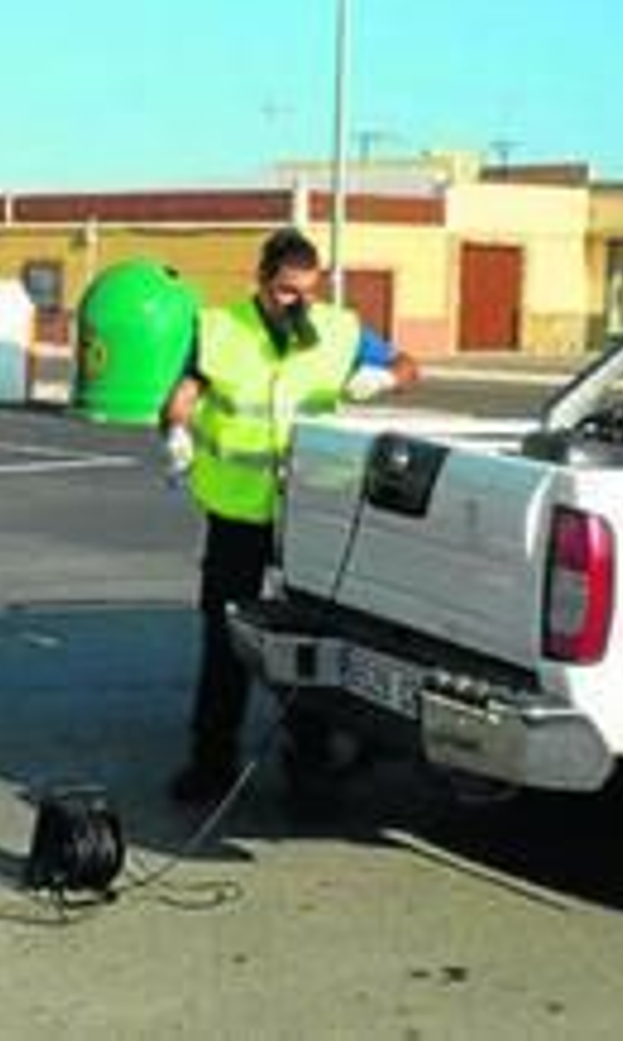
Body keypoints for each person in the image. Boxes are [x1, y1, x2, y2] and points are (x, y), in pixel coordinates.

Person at [161, 227, 418, 803]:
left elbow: (409, 365)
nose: (297, 303)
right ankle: (211, 762)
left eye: (307, 291)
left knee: (311, 641)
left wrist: (384, 377)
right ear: (260, 281)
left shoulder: (339, 329)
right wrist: (175, 430)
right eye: (284, 291)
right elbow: (183, 391)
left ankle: (311, 766)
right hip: (238, 512)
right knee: (225, 638)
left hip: (311, 511)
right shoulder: (220, 328)